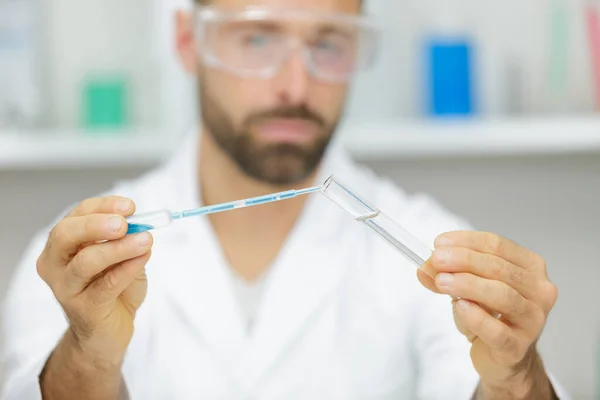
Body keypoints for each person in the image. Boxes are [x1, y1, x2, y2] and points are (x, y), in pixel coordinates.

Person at [1, 0, 569, 399]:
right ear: (186, 42)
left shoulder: (429, 248)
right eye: (257, 38)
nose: (295, 86)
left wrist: (516, 379)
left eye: (328, 42)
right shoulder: (76, 262)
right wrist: (90, 357)